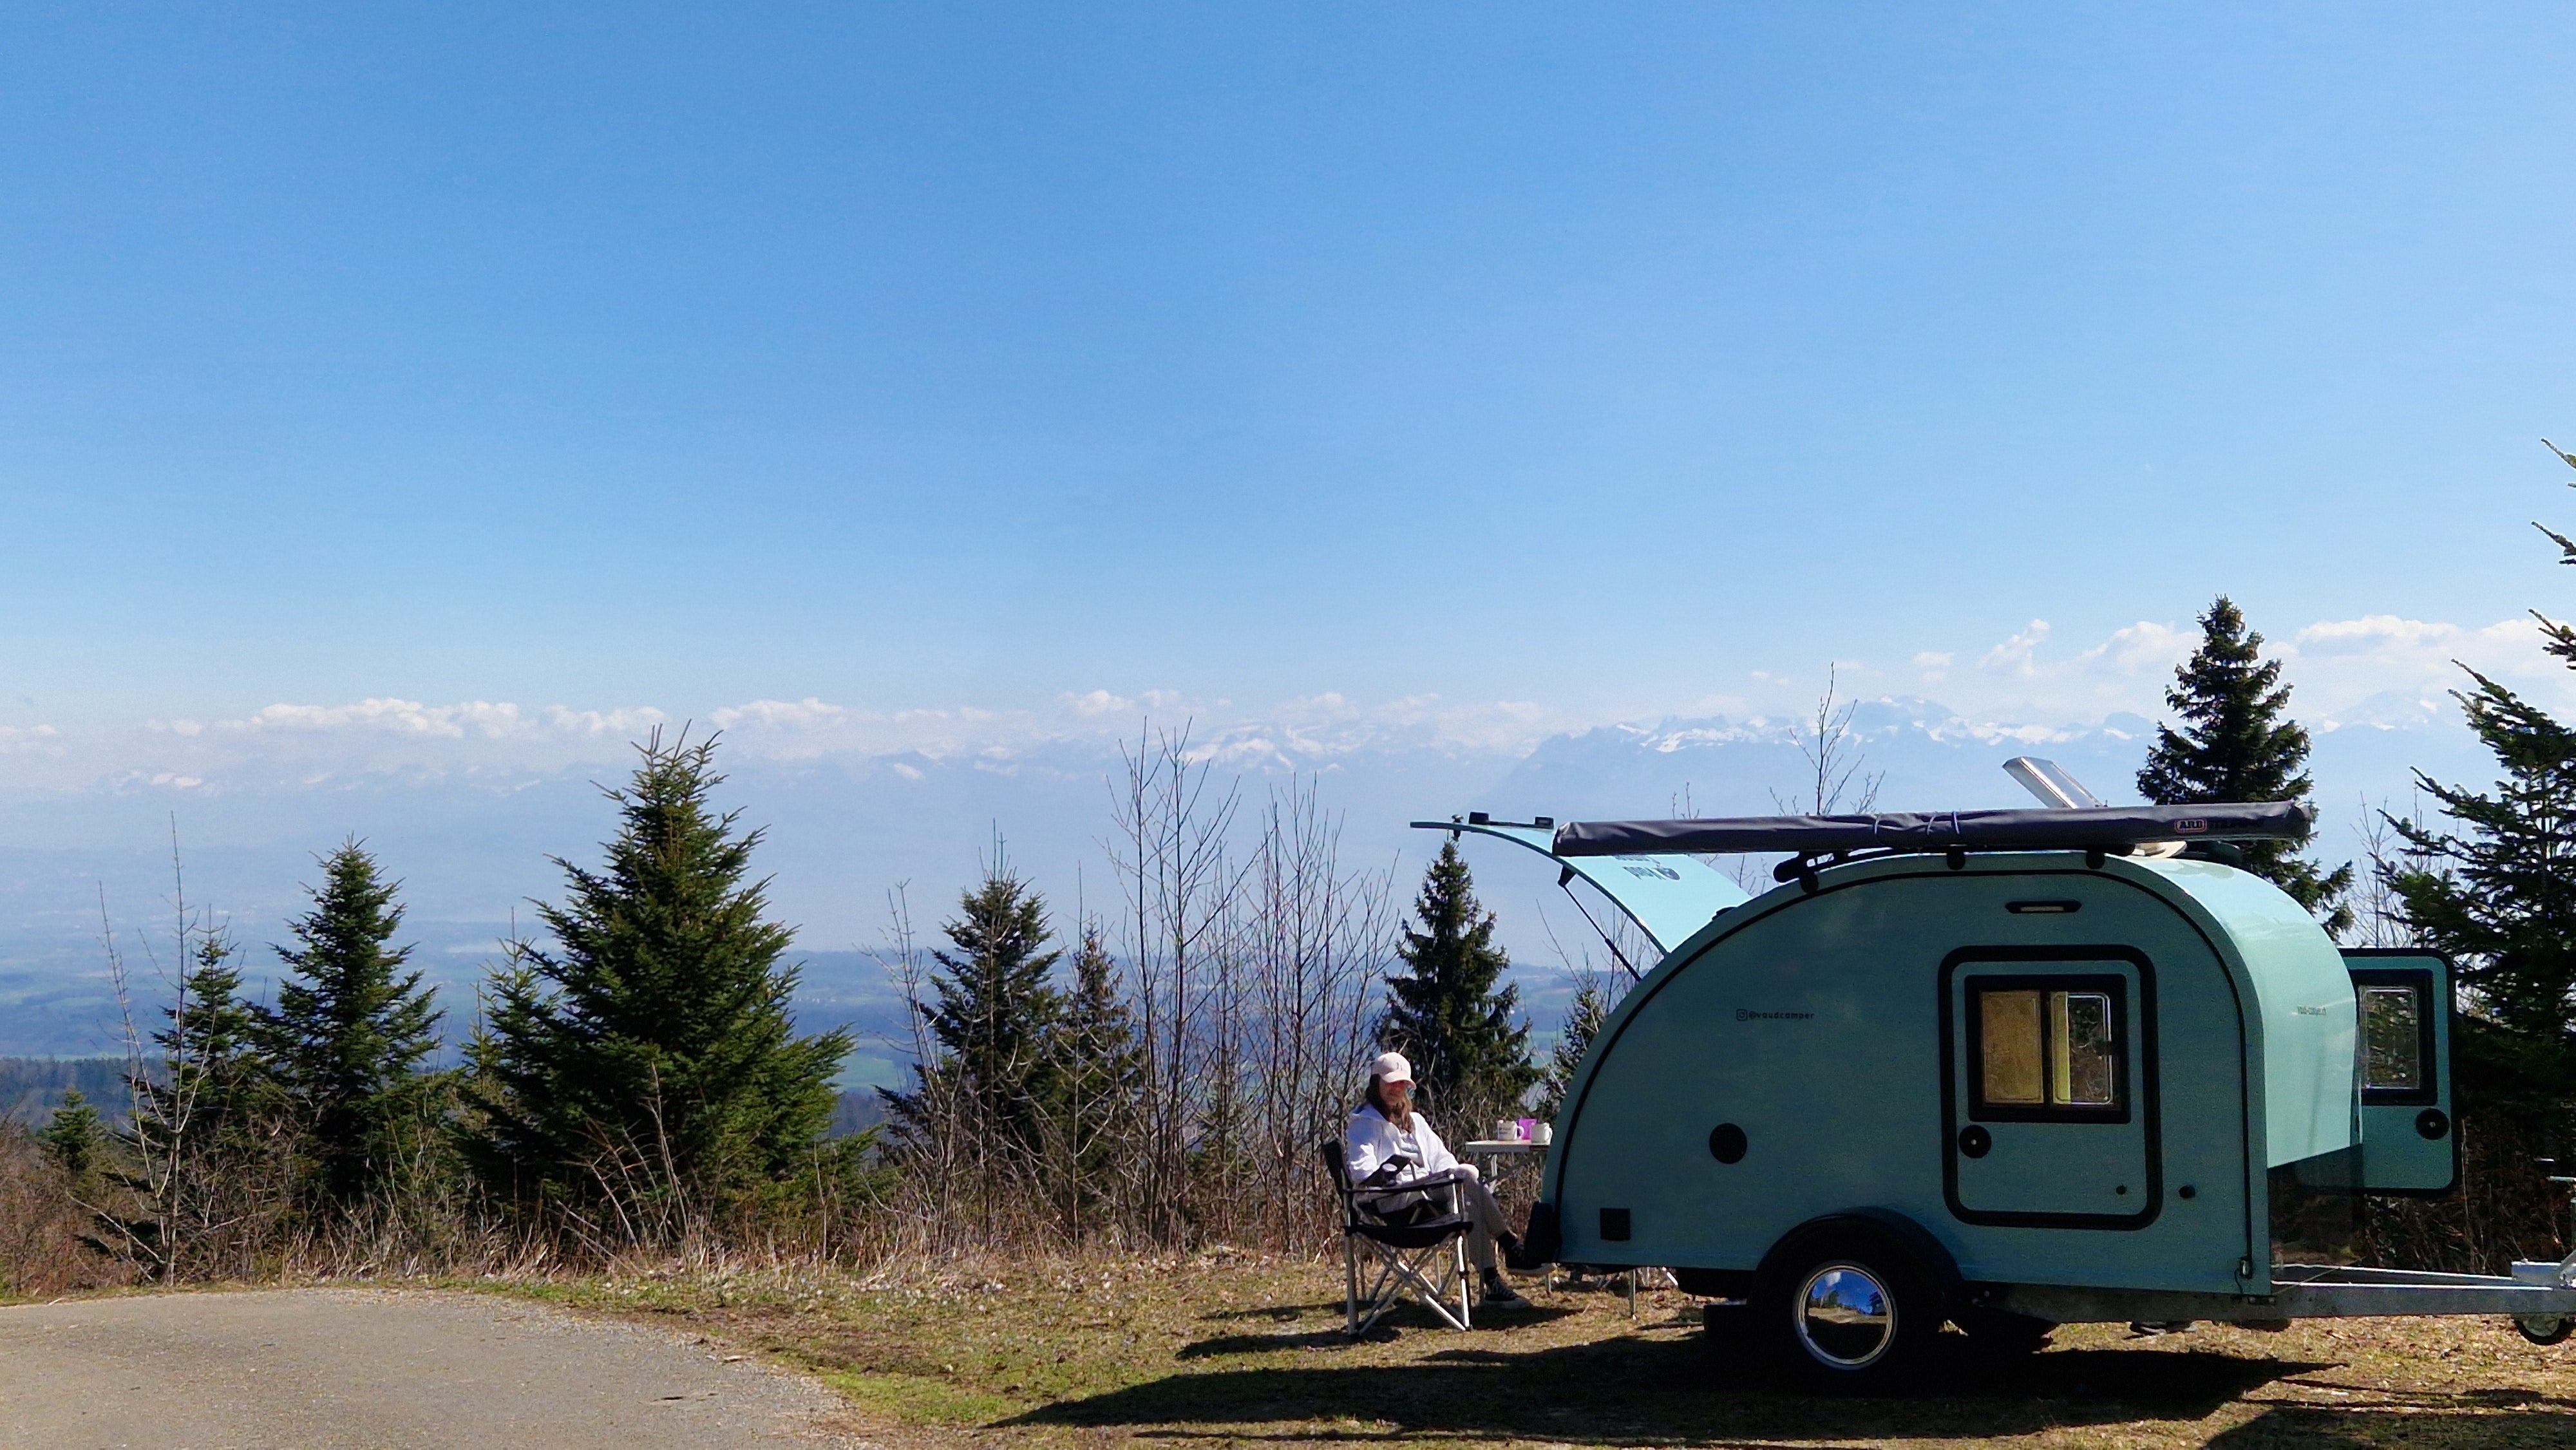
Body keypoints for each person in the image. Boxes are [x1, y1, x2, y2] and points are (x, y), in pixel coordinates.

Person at [1343, 1050, 1529, 1308]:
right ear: (1376, 1082)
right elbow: (1362, 1172)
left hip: (1428, 1195)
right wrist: (1391, 1171)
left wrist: (1444, 1178)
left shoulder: (1415, 1122)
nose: (1396, 1089)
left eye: (1402, 1084)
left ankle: (1493, 1281)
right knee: (1467, 1175)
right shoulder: (1364, 1124)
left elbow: (1444, 1161)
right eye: (1390, 1082)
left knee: (1469, 1197)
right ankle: (1509, 1243)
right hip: (1396, 1203)